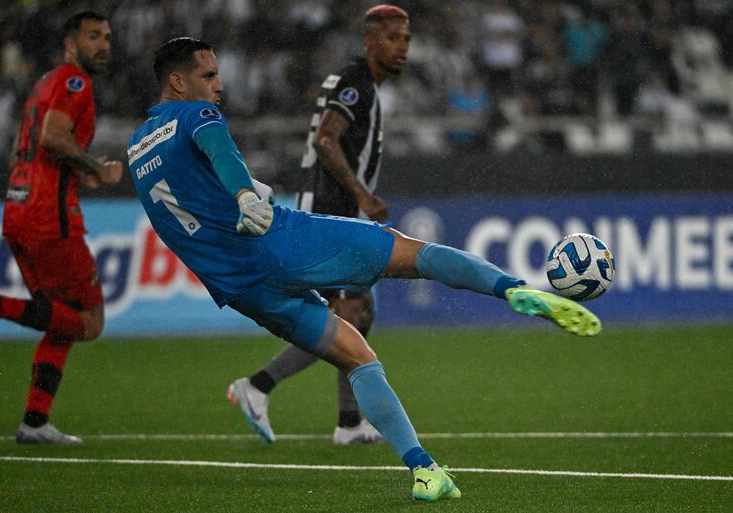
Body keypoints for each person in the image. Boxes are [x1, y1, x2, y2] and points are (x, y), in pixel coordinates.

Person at [125, 36, 601, 501]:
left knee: (357, 356)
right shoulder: (198, 113)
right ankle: (513, 290)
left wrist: (247, 188)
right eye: (208, 75)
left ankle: (424, 471)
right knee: (412, 252)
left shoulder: (138, 147)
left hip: (238, 285)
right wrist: (246, 195)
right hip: (277, 243)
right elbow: (221, 151)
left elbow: (186, 199)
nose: (219, 85)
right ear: (178, 82)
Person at [227, 4, 410, 447]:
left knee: (356, 312)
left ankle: (347, 422)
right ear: (369, 41)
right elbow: (325, 138)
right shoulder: (356, 84)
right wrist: (361, 195)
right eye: (392, 38)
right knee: (349, 314)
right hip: (331, 212)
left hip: (334, 210)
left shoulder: (361, 84)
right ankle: (260, 386)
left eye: (406, 39)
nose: (402, 47)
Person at [0, 11, 122, 444]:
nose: (104, 44)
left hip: (18, 209)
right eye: (94, 36)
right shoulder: (75, 82)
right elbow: (53, 137)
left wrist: (75, 172)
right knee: (89, 320)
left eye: (107, 36)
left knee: (61, 319)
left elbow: (26, 151)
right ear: (70, 43)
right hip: (49, 219)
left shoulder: (45, 83)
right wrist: (96, 167)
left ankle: (34, 421)